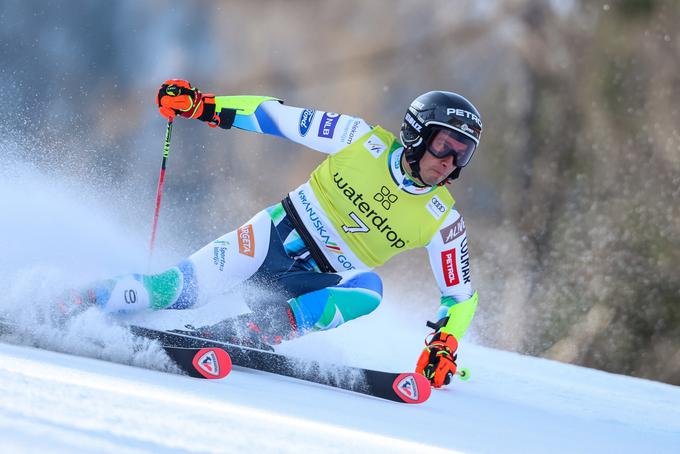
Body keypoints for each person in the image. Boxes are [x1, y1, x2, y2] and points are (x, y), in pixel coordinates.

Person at [71, 79, 482, 388]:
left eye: (463, 153)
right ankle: (77, 299)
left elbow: (461, 297)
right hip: (265, 242)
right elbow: (273, 117)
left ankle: (250, 332)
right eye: (445, 145)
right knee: (174, 291)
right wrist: (204, 106)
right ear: (416, 134)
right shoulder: (358, 139)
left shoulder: (442, 220)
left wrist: (444, 343)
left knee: (369, 290)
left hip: (309, 284)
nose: (450, 162)